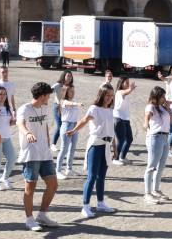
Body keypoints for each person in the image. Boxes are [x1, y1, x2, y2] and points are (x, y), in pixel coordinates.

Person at [66, 84, 117, 218]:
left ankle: (101, 203)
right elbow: (84, 120)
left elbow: (112, 131)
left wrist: (114, 148)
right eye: (107, 95)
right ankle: (85, 206)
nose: (109, 98)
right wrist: (74, 130)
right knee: (92, 176)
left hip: (106, 145)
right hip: (95, 145)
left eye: (111, 96)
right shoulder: (94, 108)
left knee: (102, 176)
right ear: (101, 95)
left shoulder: (111, 110)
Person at [17, 82, 60, 230]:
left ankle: (42, 215)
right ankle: (29, 219)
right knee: (30, 187)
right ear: (42, 96)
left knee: (53, 184)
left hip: (44, 153)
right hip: (31, 153)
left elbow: (45, 125)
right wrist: (28, 133)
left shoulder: (45, 107)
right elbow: (20, 124)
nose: (49, 98)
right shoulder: (25, 109)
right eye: (48, 95)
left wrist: (48, 141)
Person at [143, 87, 172, 204]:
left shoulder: (163, 108)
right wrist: (146, 123)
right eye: (162, 96)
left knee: (161, 166)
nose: (164, 98)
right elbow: (147, 116)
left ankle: (155, 189)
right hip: (155, 137)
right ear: (156, 96)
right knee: (151, 166)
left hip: (165, 137)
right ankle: (147, 193)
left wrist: (168, 109)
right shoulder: (150, 106)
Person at [55, 85, 81, 178]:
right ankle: (57, 170)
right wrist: (76, 104)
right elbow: (68, 103)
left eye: (73, 91)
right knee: (64, 149)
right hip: (67, 125)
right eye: (70, 91)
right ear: (66, 92)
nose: (73, 93)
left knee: (72, 149)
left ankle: (69, 169)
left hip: (74, 125)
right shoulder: (63, 101)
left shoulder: (74, 101)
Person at [112, 77, 136, 164]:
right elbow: (126, 91)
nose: (128, 84)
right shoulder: (119, 92)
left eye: (128, 82)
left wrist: (130, 89)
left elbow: (127, 92)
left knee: (129, 139)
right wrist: (131, 89)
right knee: (121, 139)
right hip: (118, 118)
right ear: (121, 83)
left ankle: (122, 156)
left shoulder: (125, 93)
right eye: (126, 82)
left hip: (125, 119)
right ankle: (115, 158)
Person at [51, 70, 74, 147]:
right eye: (68, 76)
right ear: (64, 76)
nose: (69, 78)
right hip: (57, 107)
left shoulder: (71, 86)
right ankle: (53, 144)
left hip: (66, 107)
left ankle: (65, 143)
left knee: (66, 125)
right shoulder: (58, 85)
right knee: (59, 126)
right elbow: (49, 91)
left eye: (70, 76)